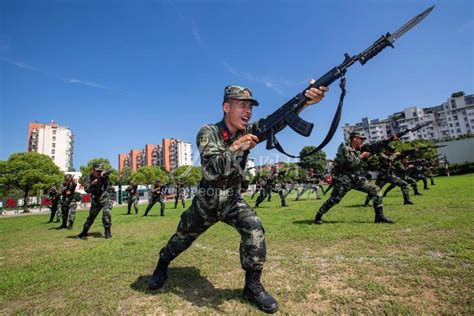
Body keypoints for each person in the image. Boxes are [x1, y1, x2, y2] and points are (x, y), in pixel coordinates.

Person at [146, 82, 327, 313]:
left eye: (250, 107)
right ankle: (162, 265)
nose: (248, 111)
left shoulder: (248, 130)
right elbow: (211, 168)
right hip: (207, 199)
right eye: (242, 105)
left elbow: (277, 120)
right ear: (226, 107)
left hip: (232, 198)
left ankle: (252, 287)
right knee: (181, 239)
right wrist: (235, 147)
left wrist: (305, 102)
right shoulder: (208, 132)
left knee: (254, 228)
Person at [314, 132, 395, 225]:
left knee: (375, 190)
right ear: (354, 139)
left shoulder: (360, 149)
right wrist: (362, 156)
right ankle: (318, 216)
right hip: (344, 179)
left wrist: (390, 139)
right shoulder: (345, 149)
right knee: (334, 199)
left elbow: (375, 145)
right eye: (361, 139)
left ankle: (379, 216)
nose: (363, 142)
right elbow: (351, 164)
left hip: (356, 178)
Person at [76, 163, 114, 239]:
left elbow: (107, 183)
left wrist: (103, 176)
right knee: (91, 217)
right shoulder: (88, 178)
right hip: (96, 200)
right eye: (97, 171)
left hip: (105, 199)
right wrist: (92, 183)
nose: (99, 172)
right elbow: (87, 190)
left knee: (106, 214)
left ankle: (107, 232)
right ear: (93, 170)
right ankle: (84, 232)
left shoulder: (104, 177)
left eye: (101, 171)